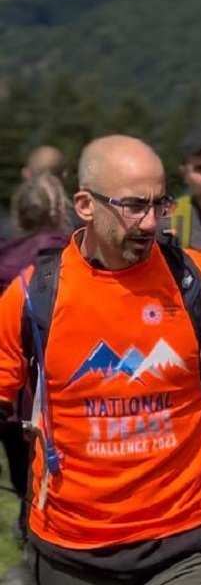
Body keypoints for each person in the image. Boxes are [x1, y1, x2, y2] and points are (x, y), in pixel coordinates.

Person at [0, 135, 201, 585]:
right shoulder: (36, 294)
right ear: (85, 205)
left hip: (184, 545)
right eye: (132, 206)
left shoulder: (194, 280)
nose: (150, 223)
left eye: (159, 204)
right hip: (70, 553)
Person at [0, 173, 71, 543]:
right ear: (61, 209)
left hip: (12, 404)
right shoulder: (74, 254)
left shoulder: (4, 263)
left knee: (24, 483)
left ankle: (32, 542)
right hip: (67, 399)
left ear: (19, 216)